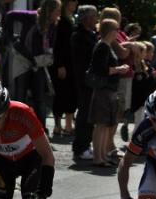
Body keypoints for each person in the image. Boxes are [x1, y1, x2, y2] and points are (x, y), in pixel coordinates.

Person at [88, 18, 130, 167]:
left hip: (108, 90)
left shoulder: (106, 46)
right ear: (110, 31)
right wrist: (119, 69)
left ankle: (103, 156)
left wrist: (118, 69)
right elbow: (101, 70)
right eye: (116, 29)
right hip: (103, 90)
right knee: (101, 124)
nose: (117, 32)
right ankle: (98, 157)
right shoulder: (102, 47)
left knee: (105, 124)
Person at [25, 0, 60, 133]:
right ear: (50, 10)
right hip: (27, 61)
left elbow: (51, 44)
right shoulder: (35, 21)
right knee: (23, 97)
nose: (58, 13)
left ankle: (41, 129)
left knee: (40, 97)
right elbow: (30, 42)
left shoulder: (53, 25)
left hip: (41, 64)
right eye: (56, 10)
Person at [70, 4, 97, 161]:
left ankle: (86, 144)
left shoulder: (91, 34)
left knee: (89, 114)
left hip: (90, 80)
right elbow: (83, 60)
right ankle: (80, 147)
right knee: (84, 113)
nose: (96, 19)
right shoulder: (78, 36)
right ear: (86, 18)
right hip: (84, 80)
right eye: (94, 16)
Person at [51, 0, 78, 137]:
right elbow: (58, 45)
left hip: (72, 63)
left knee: (71, 94)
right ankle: (57, 125)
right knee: (60, 93)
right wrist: (60, 64)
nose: (76, 3)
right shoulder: (61, 22)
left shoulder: (73, 19)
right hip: (62, 64)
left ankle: (68, 125)